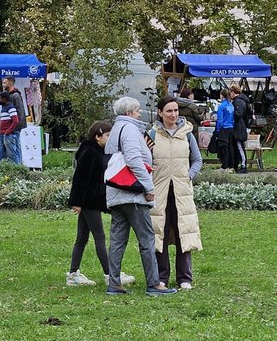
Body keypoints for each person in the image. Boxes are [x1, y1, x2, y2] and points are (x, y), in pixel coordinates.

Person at [105, 97, 176, 296]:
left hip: (116, 192)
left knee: (118, 240)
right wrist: (148, 186)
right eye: (137, 110)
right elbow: (134, 160)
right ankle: (154, 283)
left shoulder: (115, 130)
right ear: (128, 113)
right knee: (146, 239)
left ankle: (114, 282)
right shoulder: (130, 130)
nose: (139, 113)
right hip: (133, 193)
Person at [66, 121, 136, 287]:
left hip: (90, 200)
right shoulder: (90, 152)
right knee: (99, 237)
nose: (109, 138)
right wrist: (76, 201)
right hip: (89, 200)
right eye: (107, 135)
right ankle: (110, 274)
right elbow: (80, 178)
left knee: (82, 237)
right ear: (97, 136)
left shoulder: (96, 150)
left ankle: (73, 274)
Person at [151, 96, 203, 290]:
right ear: (160, 113)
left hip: (181, 191)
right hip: (160, 191)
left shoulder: (187, 133)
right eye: (169, 111)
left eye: (175, 111)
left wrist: (188, 176)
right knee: (160, 232)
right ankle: (161, 276)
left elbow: (197, 159)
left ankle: (184, 277)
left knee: (184, 231)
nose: (173, 115)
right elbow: (146, 161)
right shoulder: (153, 134)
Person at [2, 76, 26, 163]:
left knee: (15, 146)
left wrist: (15, 126)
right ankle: (17, 165)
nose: (3, 84)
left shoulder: (16, 95)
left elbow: (20, 112)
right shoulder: (7, 95)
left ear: (10, 83)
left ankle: (18, 166)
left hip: (15, 126)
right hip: (10, 126)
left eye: (5, 82)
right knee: (13, 146)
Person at [0, 92, 20, 164]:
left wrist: (8, 131)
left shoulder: (11, 107)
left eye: (0, 99)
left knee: (11, 154)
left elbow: (16, 121)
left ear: (5, 99)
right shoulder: (3, 107)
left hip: (8, 135)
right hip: (2, 134)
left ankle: (17, 169)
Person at [229, 85, 250, 173]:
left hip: (239, 128)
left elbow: (238, 114)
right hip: (239, 127)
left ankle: (243, 165)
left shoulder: (239, 102)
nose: (230, 94)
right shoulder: (239, 101)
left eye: (230, 92)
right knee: (237, 147)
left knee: (239, 146)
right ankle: (237, 165)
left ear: (234, 92)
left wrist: (230, 114)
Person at [215, 89, 235, 172]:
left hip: (224, 128)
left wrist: (218, 129)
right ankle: (231, 165)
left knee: (224, 147)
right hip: (231, 127)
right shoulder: (231, 105)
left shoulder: (221, 106)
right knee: (231, 147)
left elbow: (220, 119)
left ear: (222, 95)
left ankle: (224, 166)